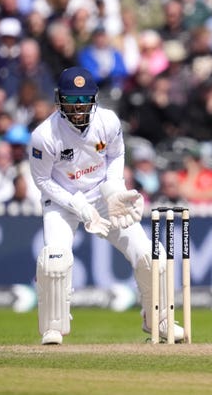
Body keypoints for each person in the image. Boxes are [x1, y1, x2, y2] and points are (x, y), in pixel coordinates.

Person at [28, 67, 183, 345]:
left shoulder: (108, 121)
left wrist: (113, 189)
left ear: (94, 99)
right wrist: (77, 205)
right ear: (59, 100)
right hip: (63, 200)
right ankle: (53, 327)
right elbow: (42, 181)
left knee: (150, 254)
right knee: (55, 260)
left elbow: (117, 154)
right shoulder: (44, 135)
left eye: (84, 99)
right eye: (72, 101)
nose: (79, 108)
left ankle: (157, 320)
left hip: (101, 196)